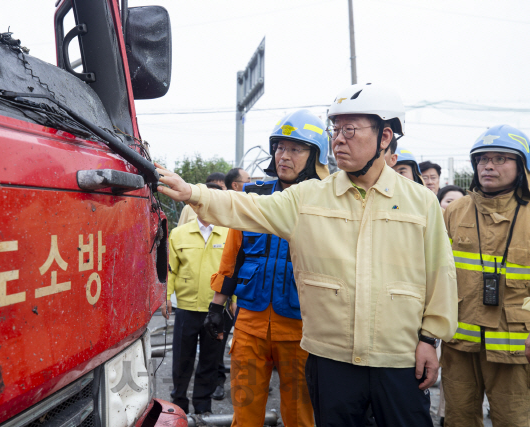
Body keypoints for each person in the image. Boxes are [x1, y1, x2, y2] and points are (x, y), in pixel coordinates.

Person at [156, 82, 458, 427]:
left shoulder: (420, 202)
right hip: (330, 358)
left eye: (350, 130)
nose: (339, 139)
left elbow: (440, 274)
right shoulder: (309, 197)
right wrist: (192, 192)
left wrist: (429, 339)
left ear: (385, 136)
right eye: (335, 130)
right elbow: (246, 207)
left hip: (398, 357)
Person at [204, 109, 329, 427]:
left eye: (295, 149)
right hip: (250, 325)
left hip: (301, 329)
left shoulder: (328, 203)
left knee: (301, 416)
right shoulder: (253, 195)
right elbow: (232, 256)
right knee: (244, 416)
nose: (284, 155)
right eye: (280, 147)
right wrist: (216, 307)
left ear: (315, 155)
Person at [442, 124, 530, 426]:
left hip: (516, 346)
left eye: (501, 159)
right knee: (459, 419)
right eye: (482, 159)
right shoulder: (455, 212)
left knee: (515, 420)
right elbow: (436, 274)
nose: (488, 166)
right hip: (459, 345)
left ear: (522, 166)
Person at [161, 198, 229, 415]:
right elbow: (171, 269)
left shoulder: (229, 234)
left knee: (210, 359)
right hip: (187, 308)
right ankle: (179, 402)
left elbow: (233, 271)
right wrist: (166, 297)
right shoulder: (179, 233)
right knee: (182, 358)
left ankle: (202, 405)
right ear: (195, 207)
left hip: (217, 310)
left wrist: (234, 300)